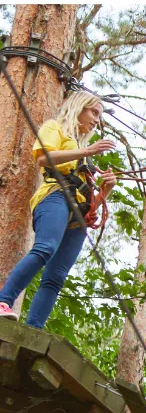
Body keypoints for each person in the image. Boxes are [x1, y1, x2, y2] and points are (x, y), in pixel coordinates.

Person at [0, 91, 118, 327]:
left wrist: (106, 189)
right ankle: (3, 300)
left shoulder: (85, 157)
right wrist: (87, 151)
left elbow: (91, 208)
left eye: (100, 115)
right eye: (94, 112)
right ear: (79, 107)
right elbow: (44, 158)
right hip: (55, 197)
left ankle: (34, 328)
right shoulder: (55, 128)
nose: (97, 119)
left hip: (78, 214)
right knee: (45, 248)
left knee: (56, 278)